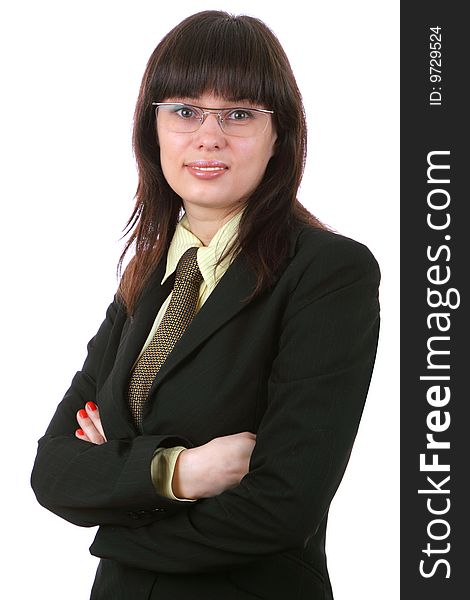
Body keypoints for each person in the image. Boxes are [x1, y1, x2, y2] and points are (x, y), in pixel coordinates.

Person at [31, 10, 381, 600]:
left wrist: (114, 505)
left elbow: (282, 507)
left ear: (281, 134)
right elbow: (54, 470)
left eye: (239, 113)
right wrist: (180, 472)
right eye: (185, 110)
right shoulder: (146, 277)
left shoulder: (328, 273)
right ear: (154, 129)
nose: (208, 136)